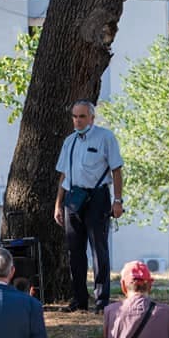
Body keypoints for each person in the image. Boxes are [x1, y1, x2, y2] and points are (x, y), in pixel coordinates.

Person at [52, 100, 124, 313]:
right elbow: (63, 174)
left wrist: (117, 201)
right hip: (73, 198)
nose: (77, 121)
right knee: (75, 252)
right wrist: (58, 204)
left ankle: (102, 301)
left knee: (98, 250)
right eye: (74, 116)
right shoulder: (70, 141)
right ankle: (79, 300)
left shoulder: (105, 137)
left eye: (82, 116)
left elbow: (117, 170)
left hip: (97, 197)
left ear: (92, 118)